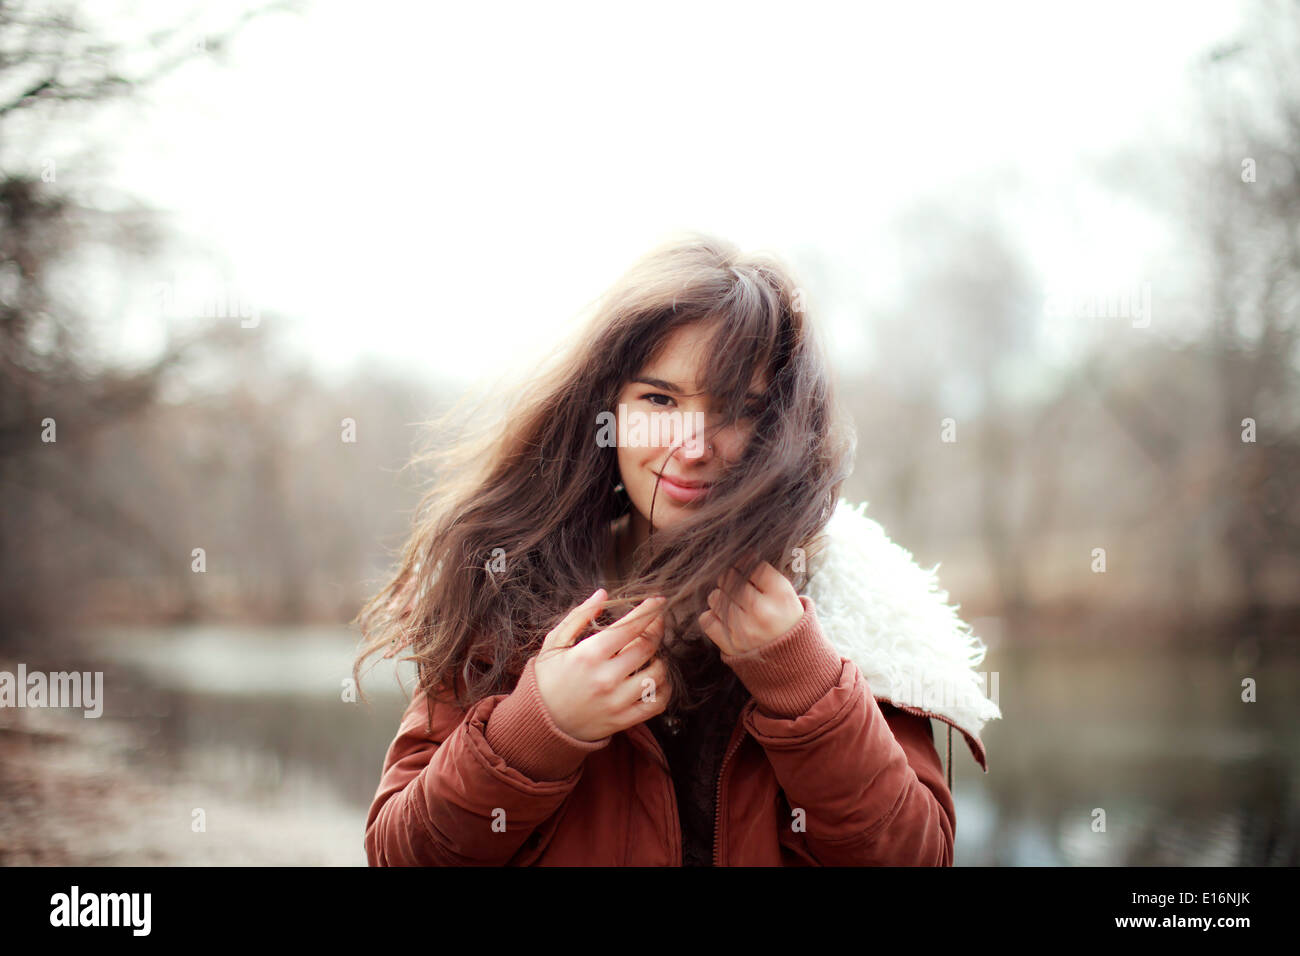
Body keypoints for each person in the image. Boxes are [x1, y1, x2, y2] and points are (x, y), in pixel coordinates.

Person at [353, 232, 1000, 866]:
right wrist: (537, 730)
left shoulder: (858, 607)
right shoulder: (511, 586)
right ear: (605, 411)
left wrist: (807, 686)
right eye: (660, 399)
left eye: (737, 410)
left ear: (781, 430)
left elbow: (914, 857)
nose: (692, 446)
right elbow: (400, 855)